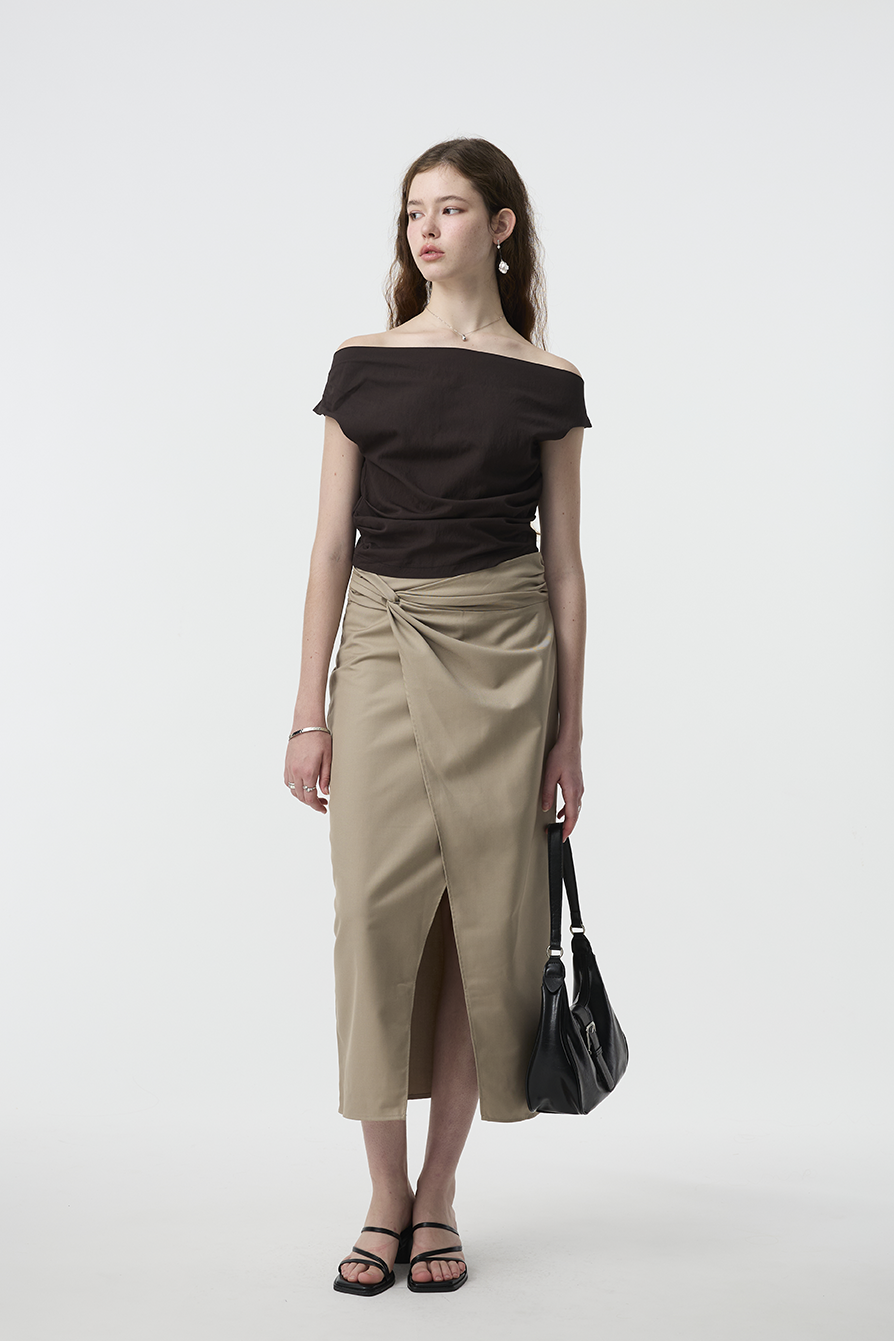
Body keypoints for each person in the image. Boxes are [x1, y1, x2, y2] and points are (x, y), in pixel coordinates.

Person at [284, 137, 590, 1296]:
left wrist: (570, 734)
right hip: (380, 642)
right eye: (416, 208)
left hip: (508, 660)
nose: (426, 228)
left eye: (451, 208)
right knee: (373, 916)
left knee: (481, 932)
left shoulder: (548, 381)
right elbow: (328, 547)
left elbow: (564, 568)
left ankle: (439, 1195)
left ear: (500, 227)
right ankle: (382, 1194)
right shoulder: (362, 364)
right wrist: (306, 711)